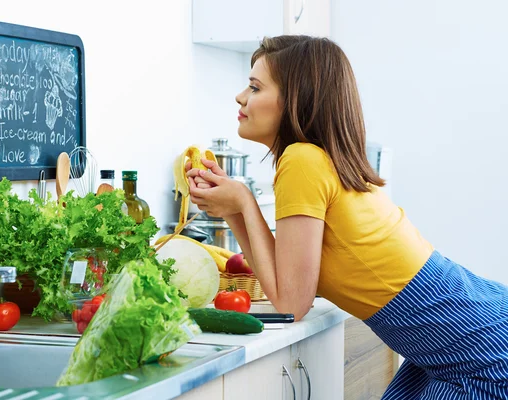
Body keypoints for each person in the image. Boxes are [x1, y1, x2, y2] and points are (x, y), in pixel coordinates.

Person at [186, 35, 508, 399]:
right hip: (469, 339)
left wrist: (243, 201)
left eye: (254, 86)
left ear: (295, 98)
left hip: (485, 356)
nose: (240, 97)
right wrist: (236, 208)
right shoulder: (317, 160)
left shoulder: (302, 161)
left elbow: (291, 304)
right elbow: (286, 282)